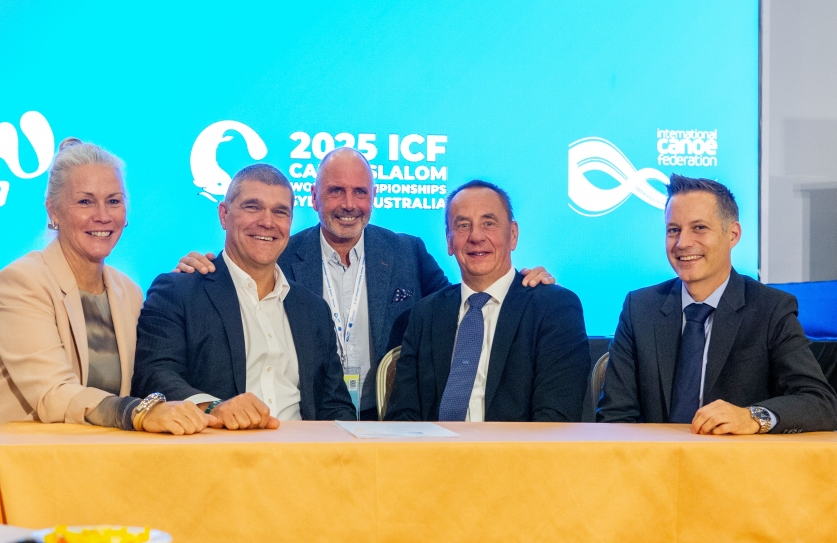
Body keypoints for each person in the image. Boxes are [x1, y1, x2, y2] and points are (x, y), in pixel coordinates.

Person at [0, 139, 215, 517]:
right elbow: (53, 394)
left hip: (77, 476)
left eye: (113, 201)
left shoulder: (128, 291)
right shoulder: (20, 283)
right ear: (53, 211)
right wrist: (141, 413)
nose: (102, 215)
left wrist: (182, 291)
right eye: (85, 201)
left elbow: (150, 373)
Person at [176, 148, 554, 419]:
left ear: (373, 197)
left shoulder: (407, 252)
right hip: (311, 417)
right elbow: (238, 272)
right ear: (314, 197)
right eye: (335, 191)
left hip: (386, 416)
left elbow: (461, 303)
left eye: (360, 192)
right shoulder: (279, 252)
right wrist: (203, 269)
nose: (349, 203)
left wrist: (519, 286)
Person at [597, 174, 837, 434]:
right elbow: (614, 416)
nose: (683, 243)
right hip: (654, 458)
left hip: (737, 458)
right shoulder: (640, 308)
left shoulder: (770, 308)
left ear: (733, 234)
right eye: (673, 230)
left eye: (699, 227)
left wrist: (752, 417)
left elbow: (819, 402)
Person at [132, 164, 356, 428]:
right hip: (218, 448)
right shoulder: (178, 292)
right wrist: (213, 407)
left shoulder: (313, 309)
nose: (267, 222)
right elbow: (153, 375)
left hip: (304, 450)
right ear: (224, 215)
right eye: (252, 207)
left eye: (280, 212)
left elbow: (335, 405)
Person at [384, 180, 590, 422]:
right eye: (463, 225)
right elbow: (403, 415)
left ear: (513, 235)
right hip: (434, 446)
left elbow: (555, 420)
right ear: (449, 241)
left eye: (488, 223)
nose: (476, 236)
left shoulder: (554, 309)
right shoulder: (426, 314)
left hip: (516, 447)